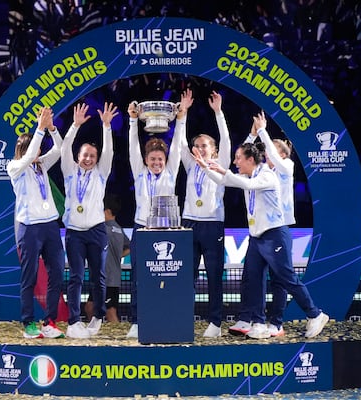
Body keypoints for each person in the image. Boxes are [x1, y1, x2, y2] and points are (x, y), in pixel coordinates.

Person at [194, 142, 329, 339]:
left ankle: (315, 314)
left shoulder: (267, 175)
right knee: (253, 280)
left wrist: (224, 170)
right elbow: (224, 181)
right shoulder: (249, 175)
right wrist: (205, 167)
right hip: (257, 238)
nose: (235, 162)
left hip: (274, 235)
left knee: (286, 277)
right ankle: (258, 323)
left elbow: (246, 184)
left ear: (250, 159)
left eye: (238, 158)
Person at [126, 88, 193, 339]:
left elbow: (176, 146)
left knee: (166, 278)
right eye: (152, 159)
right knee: (137, 277)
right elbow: (133, 146)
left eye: (160, 159)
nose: (156, 162)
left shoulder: (171, 172)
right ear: (145, 160)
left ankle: (164, 317)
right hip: (142, 229)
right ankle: (136, 321)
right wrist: (133, 120)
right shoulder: (139, 172)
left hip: (167, 231)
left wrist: (181, 118)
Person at [61, 101, 119, 339]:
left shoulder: (101, 173)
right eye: (85, 155)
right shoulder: (69, 171)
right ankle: (74, 321)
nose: (89, 159)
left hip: (96, 231)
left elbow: (110, 153)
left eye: (92, 156)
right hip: (74, 232)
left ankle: (98, 317)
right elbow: (64, 149)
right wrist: (74, 126)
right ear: (78, 156)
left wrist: (106, 126)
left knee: (98, 276)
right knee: (75, 276)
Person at [6, 106, 66, 339]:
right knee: (29, 276)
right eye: (33, 147)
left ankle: (49, 322)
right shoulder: (14, 167)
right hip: (29, 227)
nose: (38, 151)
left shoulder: (40, 165)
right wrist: (39, 129)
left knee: (57, 273)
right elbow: (29, 155)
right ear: (22, 149)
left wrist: (51, 128)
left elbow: (59, 149)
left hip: (50, 225)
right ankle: (28, 323)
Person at [180, 90, 231, 338]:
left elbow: (227, 140)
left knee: (213, 276)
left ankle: (215, 323)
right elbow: (180, 144)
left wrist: (218, 113)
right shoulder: (190, 164)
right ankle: (183, 318)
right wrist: (183, 114)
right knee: (186, 275)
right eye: (196, 146)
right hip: (189, 223)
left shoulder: (221, 165)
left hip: (212, 224)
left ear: (214, 150)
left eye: (205, 146)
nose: (199, 149)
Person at [242, 111, 295, 337]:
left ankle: (277, 322)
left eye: (271, 150)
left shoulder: (286, 167)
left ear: (282, 154)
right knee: (255, 276)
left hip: (279, 230)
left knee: (280, 279)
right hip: (261, 230)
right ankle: (258, 320)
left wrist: (263, 131)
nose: (266, 153)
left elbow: (273, 153)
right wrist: (252, 136)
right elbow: (243, 158)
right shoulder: (261, 173)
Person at [85, 193, 131, 323]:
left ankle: (117, 338)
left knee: (110, 312)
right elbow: (130, 247)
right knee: (90, 307)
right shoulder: (119, 229)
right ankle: (96, 331)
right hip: (110, 278)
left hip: (107, 279)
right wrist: (117, 256)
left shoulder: (102, 229)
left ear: (107, 211)